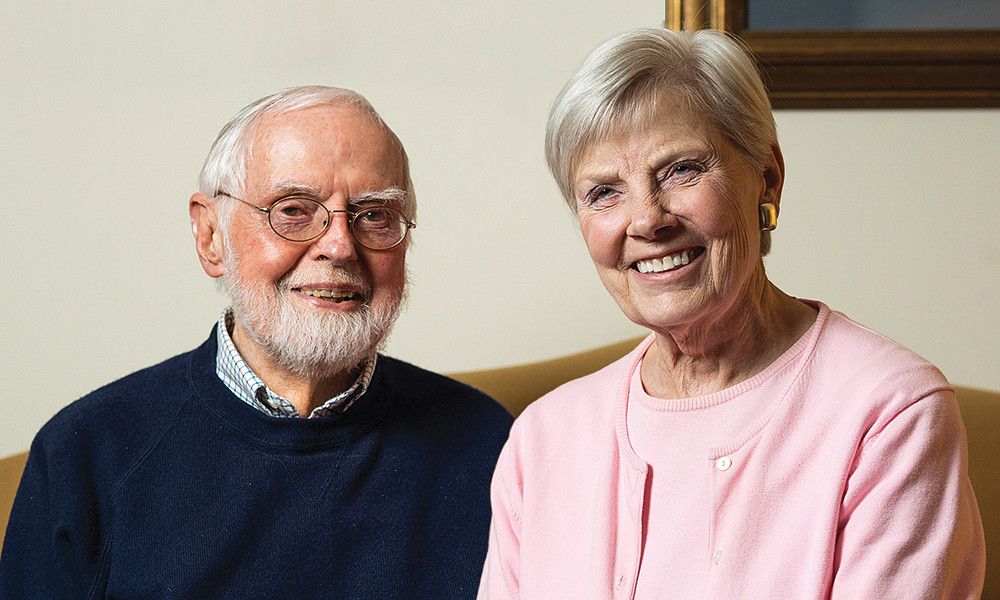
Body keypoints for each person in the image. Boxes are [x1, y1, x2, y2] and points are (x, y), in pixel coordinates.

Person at [478, 28, 985, 599]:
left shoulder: (889, 414)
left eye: (681, 169)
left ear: (767, 177)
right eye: (604, 192)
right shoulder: (542, 440)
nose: (648, 220)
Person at [1, 86, 513, 599]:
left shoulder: (492, 444)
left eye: (375, 215)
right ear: (210, 236)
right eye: (293, 210)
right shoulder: (86, 454)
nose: (339, 246)